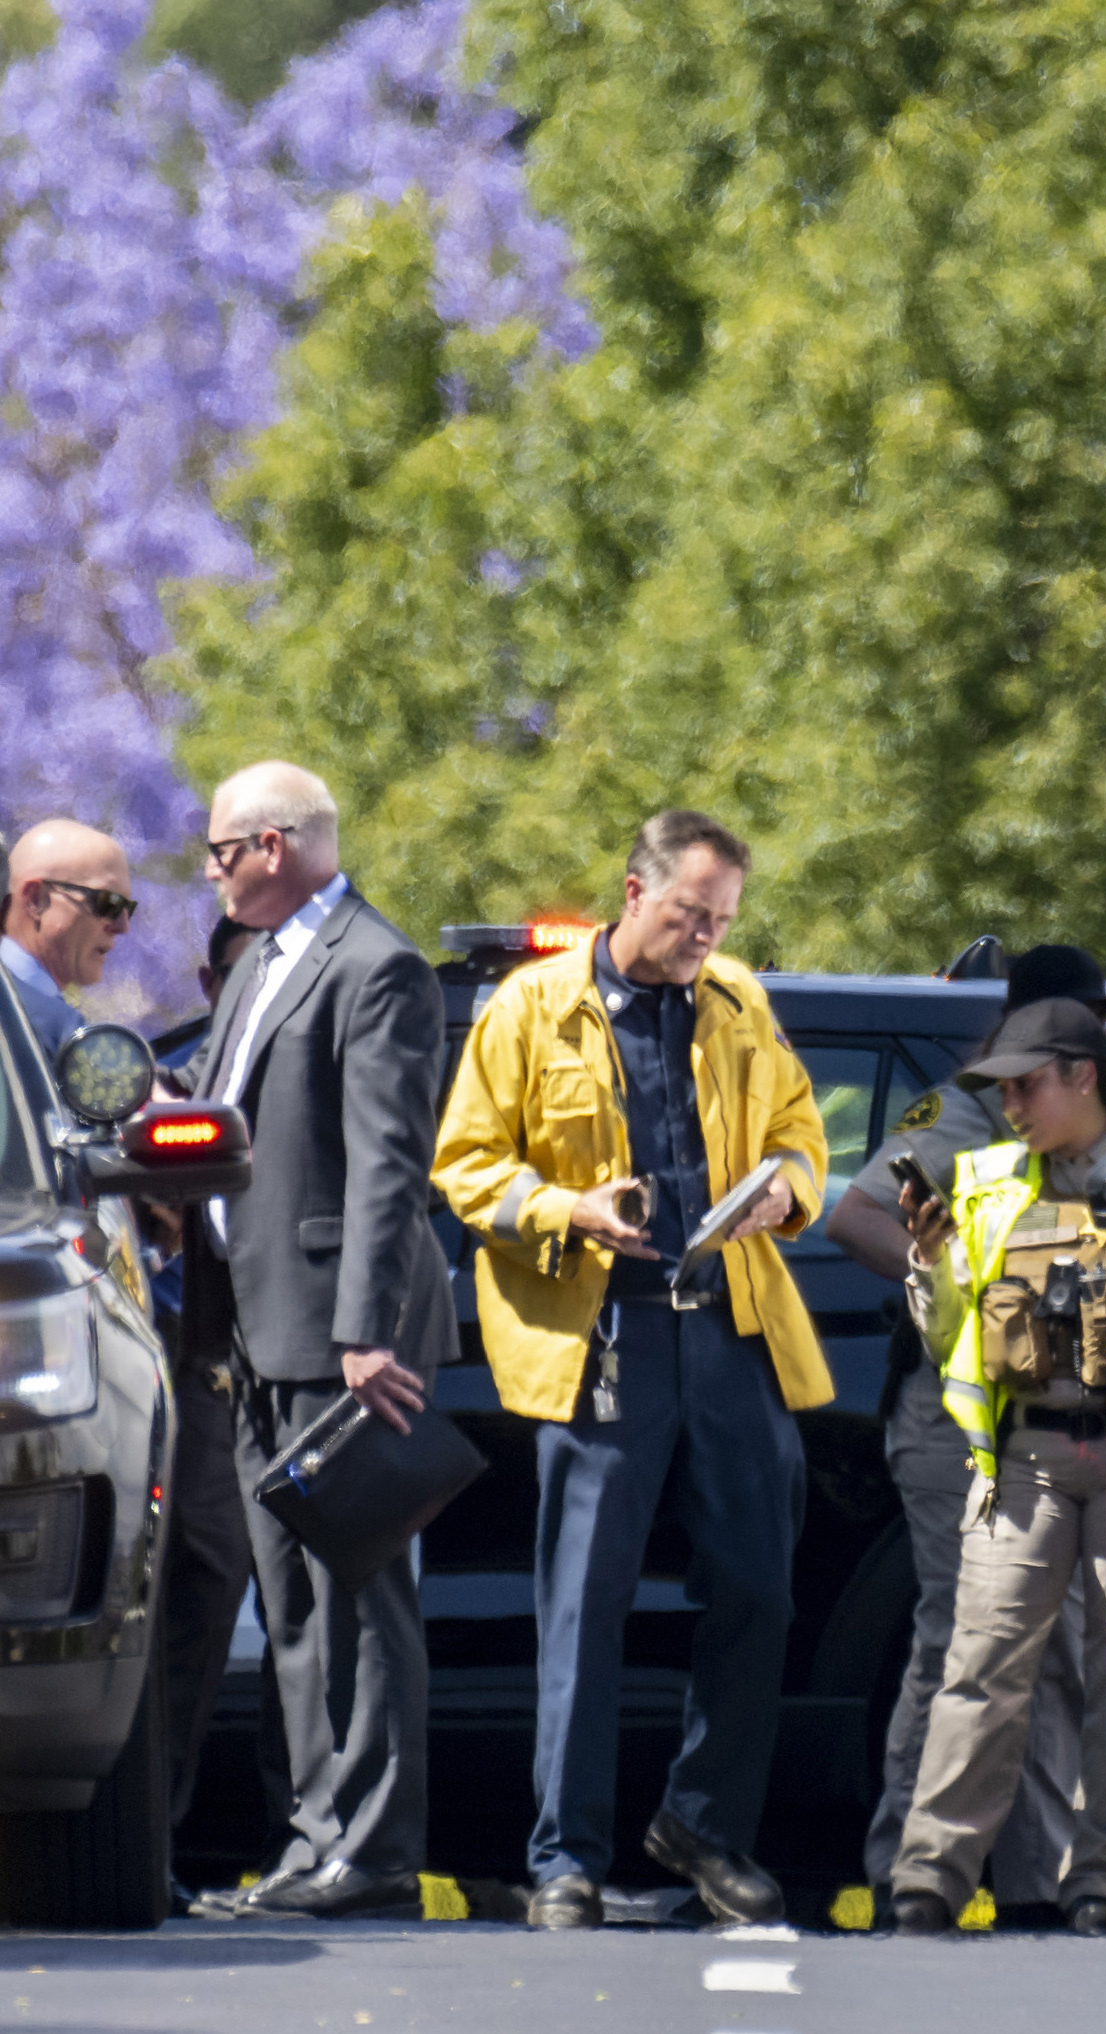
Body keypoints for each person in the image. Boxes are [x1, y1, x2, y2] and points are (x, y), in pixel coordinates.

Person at [431, 810, 830, 1931]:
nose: (707, 935)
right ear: (633, 891)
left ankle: (705, 1826)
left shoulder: (740, 999)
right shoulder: (530, 1007)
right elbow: (466, 1167)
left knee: (757, 1588)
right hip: (605, 1334)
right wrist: (569, 1209)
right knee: (584, 1605)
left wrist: (790, 1188)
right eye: (689, 913)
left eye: (722, 919)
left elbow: (801, 1130)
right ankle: (567, 1858)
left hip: (730, 1324)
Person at [828, 945, 1106, 1926]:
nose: (1016, 1100)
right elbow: (895, 1263)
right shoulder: (975, 1145)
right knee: (974, 1654)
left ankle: (1074, 1884)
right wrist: (948, 1278)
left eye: (1034, 1081)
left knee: (1103, 1663)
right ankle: (919, 1875)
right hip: (997, 1438)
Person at [181, 762, 455, 1921]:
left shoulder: (374, 965)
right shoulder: (265, 965)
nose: (209, 870)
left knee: (362, 1597)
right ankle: (313, 1837)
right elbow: (217, 1112)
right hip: (255, 1327)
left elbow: (392, 1162)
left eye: (219, 851)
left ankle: (377, 1849)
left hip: (341, 1337)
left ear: (277, 843)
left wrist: (364, 1333)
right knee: (291, 1607)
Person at [151, 915, 269, 1888]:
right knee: (201, 1576)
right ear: (209, 978)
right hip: (197, 1365)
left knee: (314, 1597)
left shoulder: (320, 1056)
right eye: (245, 971)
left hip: (311, 1361)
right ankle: (159, 1831)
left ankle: (310, 1832)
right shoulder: (173, 1080)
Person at [3, 817, 136, 1056]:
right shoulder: (48, 1028)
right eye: (108, 902)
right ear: (36, 900)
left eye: (127, 908)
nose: (122, 926)